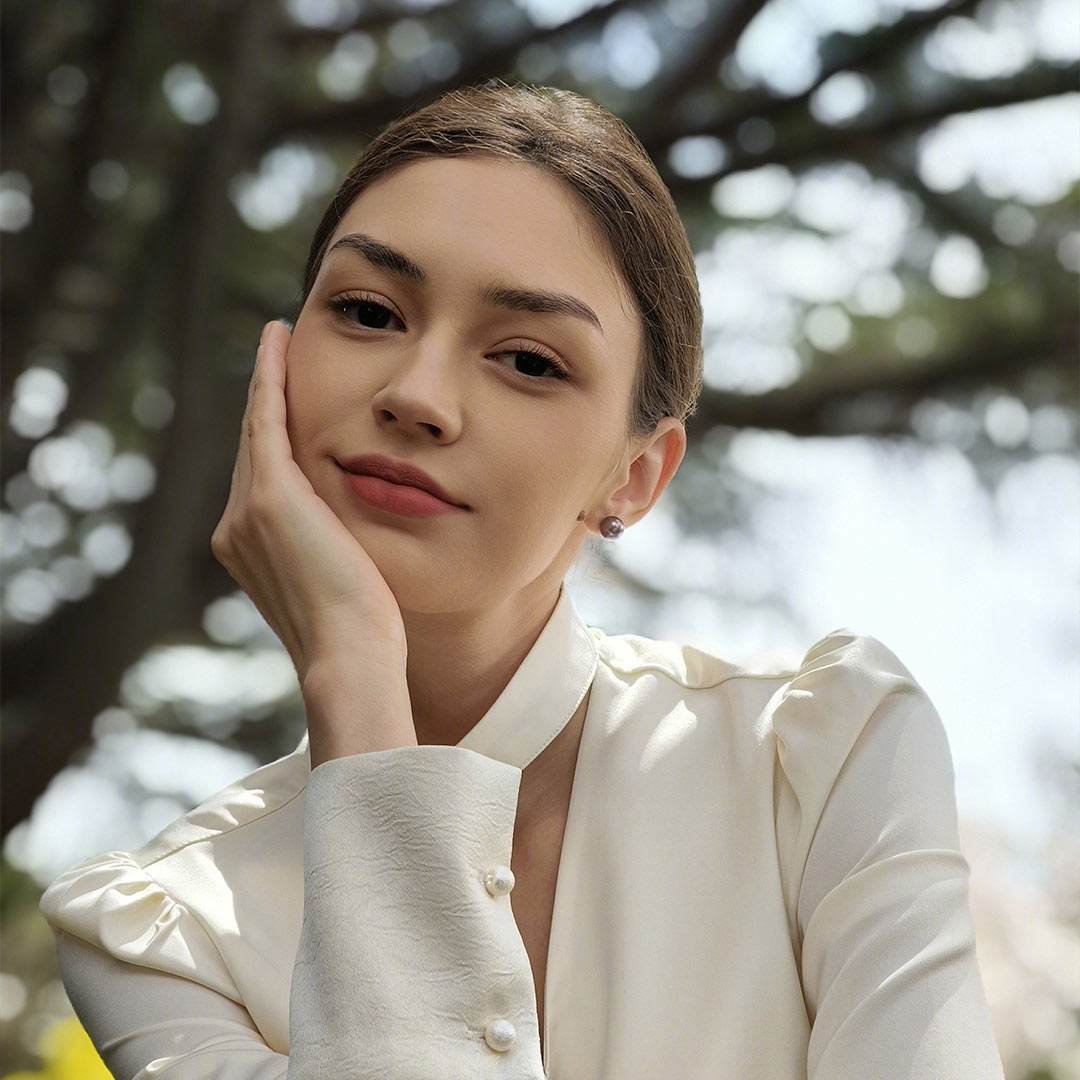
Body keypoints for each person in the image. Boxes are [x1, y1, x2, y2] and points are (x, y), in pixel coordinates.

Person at [38, 80, 1005, 1078]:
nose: (416, 398)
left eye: (531, 362)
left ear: (633, 477)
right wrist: (356, 678)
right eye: (368, 310)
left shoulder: (818, 758)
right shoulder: (166, 933)